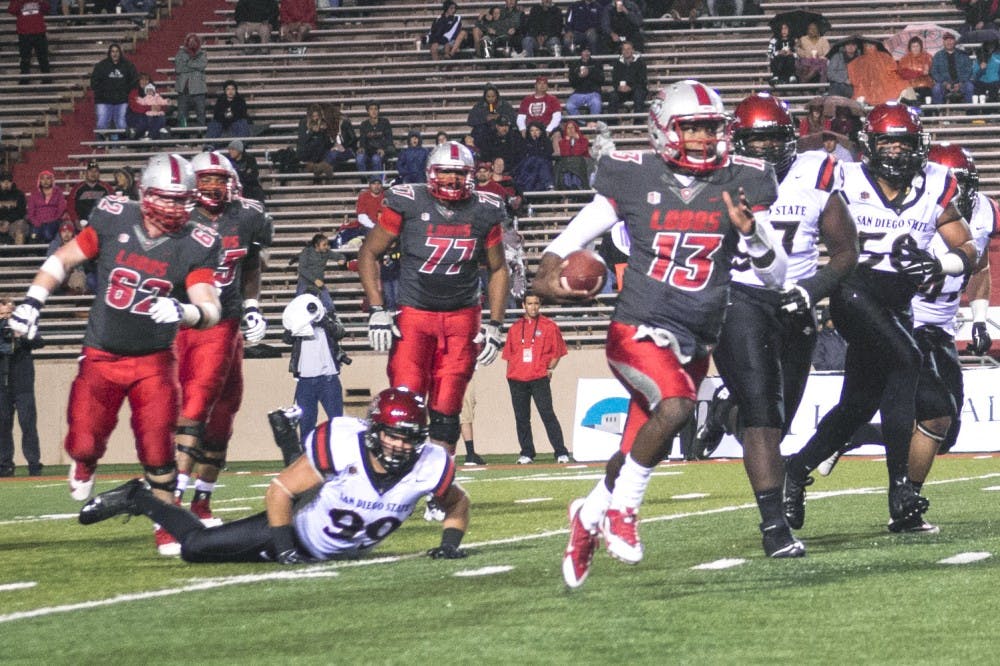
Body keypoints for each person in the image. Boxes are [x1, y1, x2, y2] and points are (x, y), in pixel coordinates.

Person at [531, 80, 785, 587]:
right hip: (639, 325)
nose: (702, 138)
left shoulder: (742, 180)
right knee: (677, 406)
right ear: (664, 129)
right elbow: (566, 242)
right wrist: (548, 280)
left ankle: (587, 515)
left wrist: (751, 232)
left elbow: (776, 275)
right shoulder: (632, 175)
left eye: (710, 128)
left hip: (697, 337)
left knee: (641, 449)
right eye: (691, 128)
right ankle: (623, 511)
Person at [7, 153, 223, 559]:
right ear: (145, 193)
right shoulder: (113, 217)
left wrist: (185, 311)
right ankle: (85, 462)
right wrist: (33, 301)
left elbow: (210, 307)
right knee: (84, 441)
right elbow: (63, 258)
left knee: (159, 450)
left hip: (154, 360)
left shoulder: (196, 242)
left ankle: (166, 525)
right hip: (102, 354)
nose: (174, 208)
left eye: (181, 199)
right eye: (166, 198)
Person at [781, 103, 977, 536]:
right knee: (907, 360)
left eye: (903, 143)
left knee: (860, 405)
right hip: (853, 291)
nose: (895, 151)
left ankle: (795, 471)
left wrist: (940, 264)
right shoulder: (844, 178)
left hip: (898, 306)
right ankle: (900, 493)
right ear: (870, 144)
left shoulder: (936, 183)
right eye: (887, 142)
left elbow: (966, 246)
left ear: (918, 146)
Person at [689, 92, 859, 557]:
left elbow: (846, 250)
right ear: (737, 140)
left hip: (795, 302)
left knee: (775, 423)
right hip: (738, 298)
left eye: (773, 139)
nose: (765, 149)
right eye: (755, 140)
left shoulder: (817, 172)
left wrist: (812, 289)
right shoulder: (717, 175)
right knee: (764, 414)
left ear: (791, 138)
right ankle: (774, 528)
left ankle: (723, 413)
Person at [816, 143, 997, 528]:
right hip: (908, 322)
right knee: (936, 416)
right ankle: (906, 502)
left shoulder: (981, 211)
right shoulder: (919, 211)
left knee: (946, 433)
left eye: (965, 184)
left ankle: (857, 436)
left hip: (942, 327)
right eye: (954, 184)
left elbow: (979, 265)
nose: (959, 194)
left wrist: (979, 318)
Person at [78, 387, 471, 563]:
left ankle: (287, 436)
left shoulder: (430, 464)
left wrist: (450, 544)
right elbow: (280, 490)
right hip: (291, 528)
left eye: (408, 438)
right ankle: (137, 496)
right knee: (195, 548)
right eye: (392, 435)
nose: (400, 445)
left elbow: (458, 503)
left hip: (326, 533)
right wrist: (284, 549)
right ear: (374, 430)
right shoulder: (343, 442)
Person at [358, 141, 509, 464]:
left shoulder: (485, 210)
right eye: (446, 173)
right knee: (406, 402)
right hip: (415, 313)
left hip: (462, 317)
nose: (453, 180)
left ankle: (438, 481)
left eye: (460, 174)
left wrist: (496, 325)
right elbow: (369, 252)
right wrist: (377, 310)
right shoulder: (407, 202)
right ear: (430, 173)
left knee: (448, 407)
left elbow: (498, 268)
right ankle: (398, 477)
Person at [168, 151, 272, 553]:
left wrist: (253, 305)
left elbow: (251, 266)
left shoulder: (248, 216)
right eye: (205, 180)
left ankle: (202, 501)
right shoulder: (176, 217)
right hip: (187, 324)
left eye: (219, 179)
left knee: (224, 414)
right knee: (195, 406)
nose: (213, 187)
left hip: (227, 323)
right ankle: (170, 511)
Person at [502, 292, 571, 464]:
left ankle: (561, 452)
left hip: (539, 377)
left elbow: (558, 351)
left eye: (536, 303)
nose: (533, 307)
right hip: (517, 379)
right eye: (530, 303)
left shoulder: (549, 326)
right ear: (523, 305)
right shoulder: (514, 328)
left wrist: (550, 368)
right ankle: (527, 453)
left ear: (540, 305)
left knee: (547, 414)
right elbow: (509, 355)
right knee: (522, 418)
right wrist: (510, 374)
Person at [282, 293, 348, 441]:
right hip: (305, 381)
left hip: (328, 379)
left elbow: (340, 332)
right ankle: (307, 454)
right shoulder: (297, 322)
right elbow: (287, 338)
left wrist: (322, 319)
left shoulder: (328, 318)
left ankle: (337, 452)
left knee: (337, 422)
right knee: (306, 424)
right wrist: (302, 320)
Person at [0, 296, 43, 477]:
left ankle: (34, 464)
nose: (5, 318)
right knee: (3, 425)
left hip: (23, 382)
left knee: (28, 424)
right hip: (2, 384)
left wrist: (22, 335)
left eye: (9, 314)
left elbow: (40, 342)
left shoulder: (24, 326)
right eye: (2, 315)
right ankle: (5, 465)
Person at [90, 43, 137, 141]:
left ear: (120, 53)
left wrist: (125, 93)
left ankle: (122, 143)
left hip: (122, 100)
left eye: (117, 51)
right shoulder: (101, 66)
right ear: (109, 53)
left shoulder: (128, 65)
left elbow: (134, 81)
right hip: (103, 100)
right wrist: (103, 93)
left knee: (121, 123)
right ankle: (101, 142)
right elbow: (94, 83)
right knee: (102, 122)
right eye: (112, 51)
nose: (115, 54)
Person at [9, 0, 51, 86]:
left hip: (38, 31)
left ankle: (46, 78)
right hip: (24, 32)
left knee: (43, 57)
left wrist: (41, 2)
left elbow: (47, 9)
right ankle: (25, 78)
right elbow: (12, 10)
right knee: (25, 58)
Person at [467, 84, 517, 153]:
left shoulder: (504, 105)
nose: (491, 99)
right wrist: (485, 119)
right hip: (485, 134)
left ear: (497, 96)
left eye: (493, 96)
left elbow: (513, 119)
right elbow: (471, 121)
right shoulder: (479, 106)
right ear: (485, 96)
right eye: (488, 97)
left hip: (501, 133)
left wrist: (501, 117)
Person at [295, 233, 338, 313]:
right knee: (300, 305)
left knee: (329, 305)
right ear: (317, 245)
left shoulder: (325, 252)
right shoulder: (306, 253)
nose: (327, 246)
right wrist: (315, 280)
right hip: (305, 282)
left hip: (317, 282)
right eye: (324, 245)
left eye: (327, 244)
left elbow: (336, 255)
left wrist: (341, 258)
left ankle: (331, 317)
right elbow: (302, 269)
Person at [930, 33, 975, 105]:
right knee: (936, 89)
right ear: (943, 42)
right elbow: (934, 72)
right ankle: (939, 110)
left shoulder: (963, 54)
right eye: (946, 40)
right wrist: (944, 83)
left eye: (951, 40)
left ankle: (970, 110)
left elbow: (968, 70)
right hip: (944, 83)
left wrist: (960, 83)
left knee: (969, 87)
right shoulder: (938, 55)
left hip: (961, 82)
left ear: (955, 41)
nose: (949, 42)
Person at [174, 33, 207, 129]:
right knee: (182, 115)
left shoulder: (202, 54)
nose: (192, 43)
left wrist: (187, 63)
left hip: (199, 91)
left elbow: (202, 66)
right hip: (183, 91)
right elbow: (178, 68)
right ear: (186, 42)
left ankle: (200, 134)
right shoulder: (180, 54)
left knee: (201, 114)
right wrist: (193, 66)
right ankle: (183, 135)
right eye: (190, 41)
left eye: (194, 41)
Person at [607, 41, 648, 117]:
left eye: (628, 49)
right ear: (622, 51)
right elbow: (615, 80)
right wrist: (618, 87)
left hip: (636, 89)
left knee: (639, 94)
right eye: (624, 49)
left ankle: (638, 122)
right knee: (613, 96)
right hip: (622, 91)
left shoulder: (640, 62)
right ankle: (612, 122)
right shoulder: (617, 63)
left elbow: (642, 80)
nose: (626, 51)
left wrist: (631, 87)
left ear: (632, 50)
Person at [356, 101, 394, 182]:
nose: (373, 111)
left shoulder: (385, 122)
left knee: (376, 158)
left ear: (378, 110)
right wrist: (361, 148)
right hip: (369, 152)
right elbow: (362, 142)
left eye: (375, 109)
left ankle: (376, 181)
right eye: (371, 109)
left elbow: (389, 141)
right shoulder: (364, 124)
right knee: (359, 158)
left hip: (381, 152)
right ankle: (364, 181)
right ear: (367, 111)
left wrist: (384, 150)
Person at [26, 169, 67, 244]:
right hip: (37, 222)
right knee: (34, 235)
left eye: (48, 178)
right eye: (43, 179)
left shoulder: (58, 192)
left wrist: (53, 219)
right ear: (40, 181)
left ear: (52, 180)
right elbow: (31, 211)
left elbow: (61, 208)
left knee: (48, 233)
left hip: (54, 221)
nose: (45, 181)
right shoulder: (34, 193)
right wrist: (36, 222)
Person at [296, 103, 335, 181]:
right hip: (306, 150)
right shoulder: (303, 123)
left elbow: (328, 144)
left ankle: (314, 166)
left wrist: (324, 131)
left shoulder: (323, 123)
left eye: (317, 116)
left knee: (319, 141)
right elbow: (302, 141)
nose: (316, 118)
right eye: (313, 116)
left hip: (319, 152)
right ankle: (317, 166)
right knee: (316, 142)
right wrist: (312, 132)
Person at [67, 160, 113, 225]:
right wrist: (76, 220)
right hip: (82, 222)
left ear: (99, 174)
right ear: (86, 173)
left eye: (96, 171)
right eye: (90, 171)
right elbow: (70, 206)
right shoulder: (77, 188)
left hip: (102, 223)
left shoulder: (106, 187)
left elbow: (113, 204)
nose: (93, 174)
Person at [126, 74, 169, 141]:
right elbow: (135, 108)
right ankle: (146, 136)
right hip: (136, 115)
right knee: (145, 120)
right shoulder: (133, 92)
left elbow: (162, 104)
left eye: (146, 80)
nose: (144, 81)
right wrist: (150, 108)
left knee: (161, 118)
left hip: (153, 114)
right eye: (142, 79)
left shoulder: (154, 92)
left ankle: (150, 136)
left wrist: (160, 107)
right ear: (138, 81)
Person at [566, 46, 605, 118]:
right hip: (579, 93)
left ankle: (593, 122)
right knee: (569, 106)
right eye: (584, 51)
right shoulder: (575, 64)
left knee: (596, 103)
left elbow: (602, 80)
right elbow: (572, 83)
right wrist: (579, 76)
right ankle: (582, 122)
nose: (586, 53)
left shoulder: (597, 63)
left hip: (593, 92)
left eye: (588, 51)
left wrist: (589, 72)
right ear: (581, 53)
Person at [515, 121, 555, 191]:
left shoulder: (546, 141)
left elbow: (547, 155)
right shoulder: (524, 142)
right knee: (536, 160)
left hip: (541, 166)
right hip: (528, 166)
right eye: (532, 130)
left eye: (537, 130)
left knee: (541, 162)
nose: (534, 133)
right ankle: (549, 184)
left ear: (541, 131)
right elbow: (523, 157)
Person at [897, 36, 934, 104]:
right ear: (910, 48)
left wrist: (928, 68)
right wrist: (920, 73)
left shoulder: (928, 57)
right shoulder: (904, 59)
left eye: (917, 46)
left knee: (926, 92)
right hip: (910, 85)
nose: (915, 48)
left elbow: (933, 70)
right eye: (913, 46)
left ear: (921, 47)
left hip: (925, 85)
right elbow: (904, 74)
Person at [0, 171, 28, 245]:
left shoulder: (19, 194)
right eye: (3, 181)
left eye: (9, 181)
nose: (6, 183)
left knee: (19, 231)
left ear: (12, 182)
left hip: (14, 222)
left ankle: (18, 251)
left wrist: (8, 221)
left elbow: (21, 212)